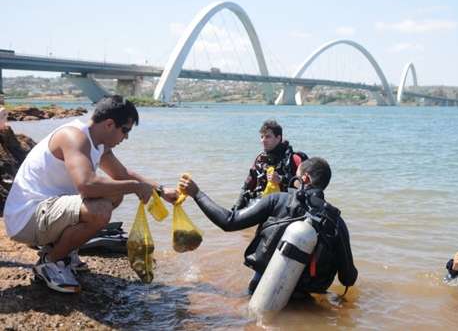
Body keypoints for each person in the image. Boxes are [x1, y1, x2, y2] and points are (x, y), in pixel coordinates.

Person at [3, 95, 178, 293]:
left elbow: (122, 174)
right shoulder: (73, 136)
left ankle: (65, 251)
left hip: (45, 213)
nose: (126, 137)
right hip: (26, 218)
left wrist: (161, 191)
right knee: (101, 208)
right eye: (125, 131)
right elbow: (86, 185)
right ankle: (49, 263)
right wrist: (136, 187)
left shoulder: (98, 144)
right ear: (110, 124)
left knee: (115, 194)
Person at [179, 157, 357, 296]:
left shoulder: (277, 200)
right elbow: (348, 278)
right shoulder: (336, 222)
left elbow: (229, 221)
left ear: (305, 178)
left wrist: (197, 194)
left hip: (263, 292)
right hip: (305, 301)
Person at [234, 119, 307, 210]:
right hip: (260, 205)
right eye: (262, 137)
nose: (263, 140)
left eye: (268, 137)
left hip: (285, 208)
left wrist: (281, 180)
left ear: (278, 138)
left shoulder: (295, 159)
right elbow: (247, 186)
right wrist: (236, 208)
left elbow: (305, 186)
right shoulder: (260, 160)